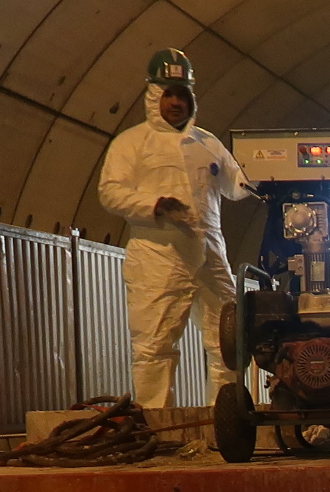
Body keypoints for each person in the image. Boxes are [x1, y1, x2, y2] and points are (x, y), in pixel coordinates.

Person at [96, 48, 251, 409]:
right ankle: (157, 423)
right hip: (158, 258)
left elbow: (238, 185)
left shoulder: (208, 144)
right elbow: (110, 192)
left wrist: (270, 177)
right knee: (155, 343)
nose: (176, 102)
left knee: (228, 338)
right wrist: (154, 206)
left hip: (210, 255)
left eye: (182, 95)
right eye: (168, 94)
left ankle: (226, 417)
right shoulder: (131, 144)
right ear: (154, 96)